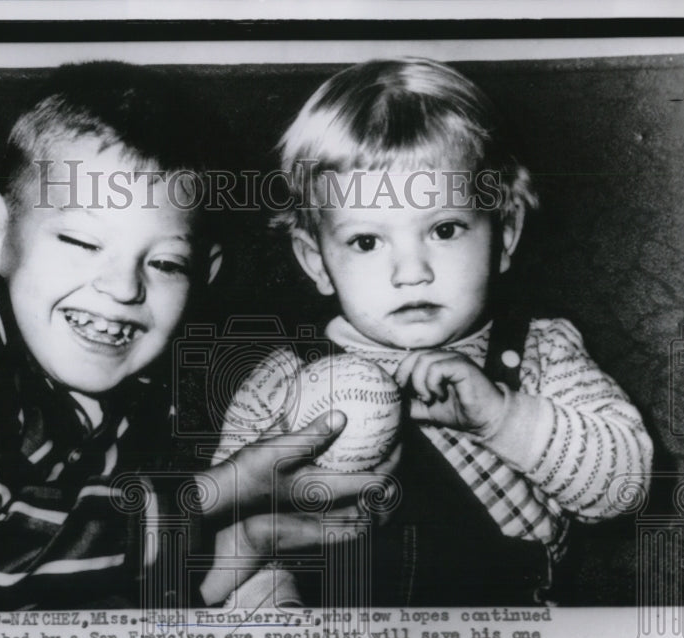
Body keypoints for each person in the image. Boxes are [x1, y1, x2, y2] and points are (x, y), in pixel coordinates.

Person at [0, 61, 380, 612]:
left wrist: (240, 550)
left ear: (201, 278)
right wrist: (219, 491)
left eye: (163, 263)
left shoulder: (124, 407)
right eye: (82, 243)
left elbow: (69, 597)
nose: (122, 287)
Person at [214, 57, 654, 606]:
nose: (411, 271)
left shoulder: (540, 350)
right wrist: (281, 631)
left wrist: (502, 415)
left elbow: (625, 487)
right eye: (367, 242)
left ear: (507, 233)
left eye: (444, 229)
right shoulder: (280, 383)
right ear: (316, 261)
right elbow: (231, 537)